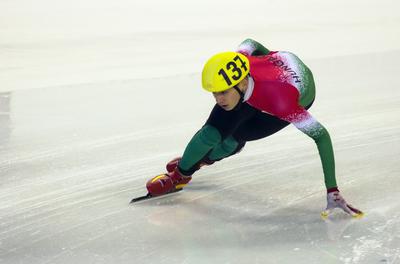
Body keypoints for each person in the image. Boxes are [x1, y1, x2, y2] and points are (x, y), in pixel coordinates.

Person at [145, 38, 363, 217]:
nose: (218, 98)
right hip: (269, 75)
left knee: (237, 134)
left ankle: (205, 159)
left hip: (290, 94)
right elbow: (251, 42)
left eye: (223, 92)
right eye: (215, 92)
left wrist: (332, 190)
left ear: (240, 83)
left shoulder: (282, 104)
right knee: (211, 132)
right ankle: (181, 176)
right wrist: (269, 57)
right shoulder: (240, 60)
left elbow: (322, 136)